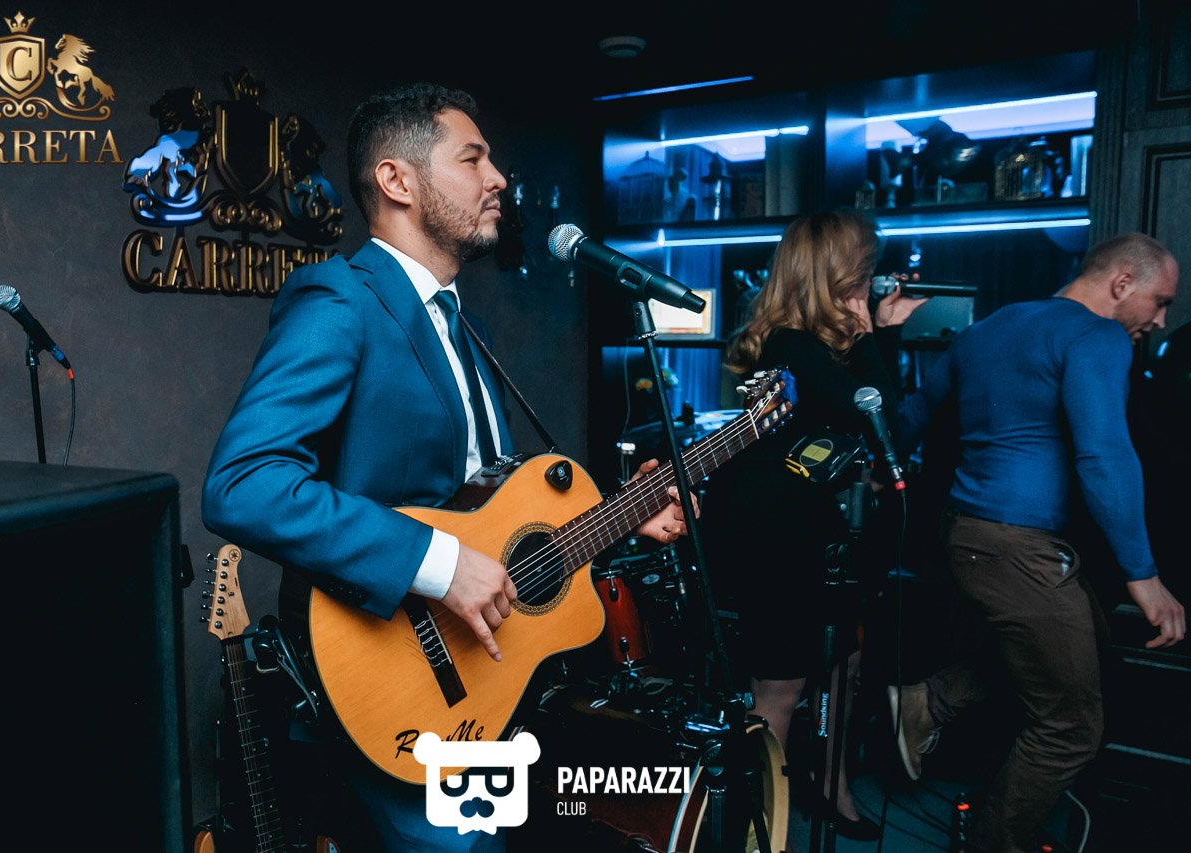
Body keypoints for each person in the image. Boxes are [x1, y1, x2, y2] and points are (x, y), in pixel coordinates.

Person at [201, 82, 694, 852]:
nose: (497, 179)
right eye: (473, 159)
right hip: (393, 676)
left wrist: (626, 516)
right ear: (397, 180)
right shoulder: (340, 299)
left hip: (485, 679)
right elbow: (243, 482)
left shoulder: (460, 323)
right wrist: (437, 563)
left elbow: (487, 519)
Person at [888, 232, 1186, 853]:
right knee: (1072, 725)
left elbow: (910, 417)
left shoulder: (988, 329)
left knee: (1079, 655)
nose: (1160, 320)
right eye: (1159, 302)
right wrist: (1144, 575)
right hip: (1014, 546)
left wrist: (870, 468)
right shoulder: (1097, 336)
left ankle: (925, 703)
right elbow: (1104, 455)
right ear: (1121, 284)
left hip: (965, 537)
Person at [700, 208, 930, 844]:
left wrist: (874, 336)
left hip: (819, 533)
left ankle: (829, 785)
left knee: (844, 666)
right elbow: (882, 425)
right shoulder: (792, 348)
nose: (874, 281)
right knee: (781, 685)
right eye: (866, 270)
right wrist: (879, 334)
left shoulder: (822, 351)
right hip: (777, 534)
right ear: (842, 275)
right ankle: (757, 829)